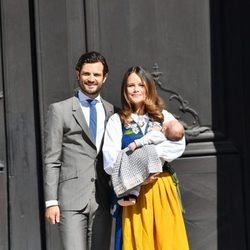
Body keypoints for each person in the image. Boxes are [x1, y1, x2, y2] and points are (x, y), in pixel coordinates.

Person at [102, 66, 189, 250]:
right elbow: (110, 161)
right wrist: (140, 175)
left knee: (167, 243)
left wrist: (146, 156)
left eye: (140, 85)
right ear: (125, 91)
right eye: (130, 86)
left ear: (148, 87)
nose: (136, 89)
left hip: (161, 190)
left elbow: (177, 145)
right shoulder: (117, 121)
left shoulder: (162, 116)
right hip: (133, 190)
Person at [43, 51, 115, 250]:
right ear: (78, 74)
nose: (91, 79)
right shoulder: (60, 110)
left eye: (96, 75)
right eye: (86, 74)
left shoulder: (112, 112)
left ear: (104, 78)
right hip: (71, 200)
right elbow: (52, 159)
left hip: (102, 199)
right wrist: (51, 201)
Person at [113, 120, 184, 207]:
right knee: (139, 180)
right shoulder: (166, 140)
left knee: (135, 177)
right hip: (156, 167)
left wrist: (136, 143)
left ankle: (127, 196)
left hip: (147, 162)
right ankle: (132, 197)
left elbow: (147, 139)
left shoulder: (158, 134)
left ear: (164, 128)